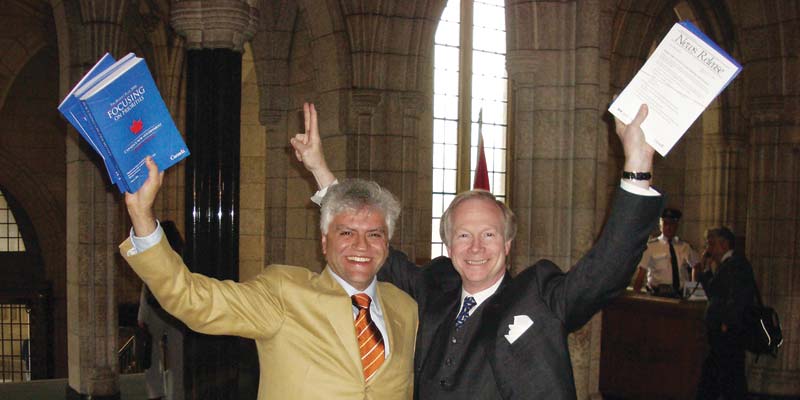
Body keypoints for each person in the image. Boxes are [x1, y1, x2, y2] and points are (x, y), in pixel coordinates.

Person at [292, 102, 664, 399]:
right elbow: (370, 245)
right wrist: (321, 172)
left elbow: (605, 271)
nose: (476, 248)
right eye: (464, 236)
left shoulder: (539, 296)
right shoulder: (433, 288)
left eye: (488, 235)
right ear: (449, 246)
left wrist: (637, 167)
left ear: (507, 243)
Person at [120, 160, 418, 399]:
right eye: (347, 233)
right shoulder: (284, 293)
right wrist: (142, 216)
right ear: (325, 243)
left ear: (387, 244)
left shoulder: (405, 308)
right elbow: (193, 300)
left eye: (374, 234)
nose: (361, 246)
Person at [693, 227, 756, 400]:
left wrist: (727, 322)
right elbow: (715, 291)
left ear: (724, 244)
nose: (709, 249)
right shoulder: (727, 265)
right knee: (720, 372)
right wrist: (706, 270)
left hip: (728, 330)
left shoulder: (736, 264)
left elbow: (737, 297)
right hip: (722, 329)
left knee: (729, 374)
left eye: (712, 244)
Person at [137, 220, 186, 400]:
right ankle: (176, 395)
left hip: (156, 310)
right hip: (176, 312)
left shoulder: (155, 255)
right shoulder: (181, 256)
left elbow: (146, 285)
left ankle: (155, 394)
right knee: (177, 359)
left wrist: (141, 315)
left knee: (152, 354)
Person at [632, 207, 700, 296]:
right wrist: (636, 294)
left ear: (677, 225)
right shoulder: (651, 246)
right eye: (666, 224)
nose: (669, 227)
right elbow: (641, 272)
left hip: (680, 295)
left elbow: (697, 265)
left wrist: (693, 291)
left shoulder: (685, 247)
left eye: (672, 224)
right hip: (657, 295)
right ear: (660, 225)